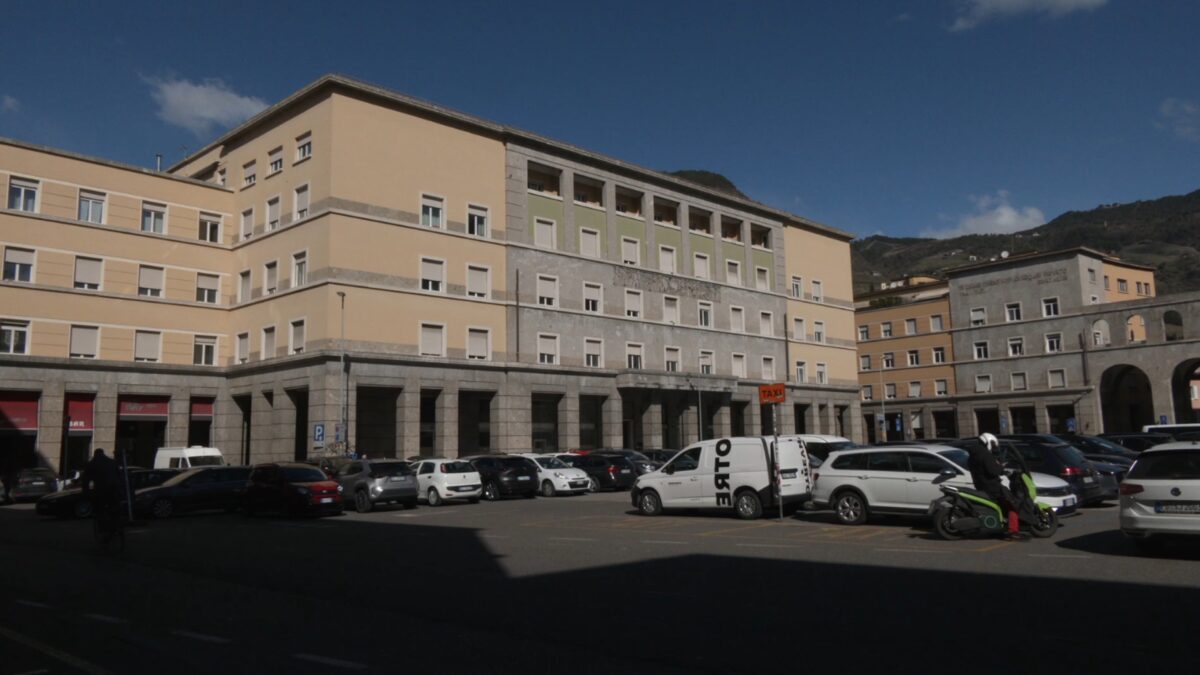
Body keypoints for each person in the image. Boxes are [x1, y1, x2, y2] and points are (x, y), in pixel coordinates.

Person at [966, 433, 1021, 536]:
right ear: (988, 442)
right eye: (993, 444)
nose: (994, 447)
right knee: (1013, 504)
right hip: (992, 487)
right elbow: (993, 471)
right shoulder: (985, 455)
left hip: (981, 485)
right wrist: (1001, 467)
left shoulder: (974, 455)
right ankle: (1013, 529)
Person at [81, 448, 121, 518]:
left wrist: (86, 493)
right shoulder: (112, 462)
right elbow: (119, 476)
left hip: (100, 490)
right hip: (113, 490)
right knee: (113, 508)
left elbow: (85, 481)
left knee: (100, 510)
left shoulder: (92, 464)